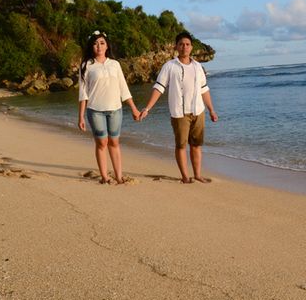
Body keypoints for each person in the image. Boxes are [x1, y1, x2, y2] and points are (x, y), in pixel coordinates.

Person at [139, 31, 218, 183]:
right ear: (176, 47)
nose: (184, 47)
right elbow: (159, 88)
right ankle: (185, 176)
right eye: (181, 44)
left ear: (191, 47)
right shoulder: (169, 66)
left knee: (196, 145)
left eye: (187, 44)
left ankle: (197, 174)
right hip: (179, 113)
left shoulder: (198, 67)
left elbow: (204, 89)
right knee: (181, 145)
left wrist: (211, 110)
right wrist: (147, 108)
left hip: (198, 111)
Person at [78, 30, 141, 184]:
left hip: (115, 110)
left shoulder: (115, 64)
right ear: (91, 47)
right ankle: (105, 177)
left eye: (102, 43)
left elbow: (123, 88)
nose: (98, 46)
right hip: (95, 111)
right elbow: (83, 93)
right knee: (102, 143)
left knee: (114, 142)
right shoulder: (87, 66)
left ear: (107, 46)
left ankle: (119, 176)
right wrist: (80, 116)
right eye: (95, 43)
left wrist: (133, 108)